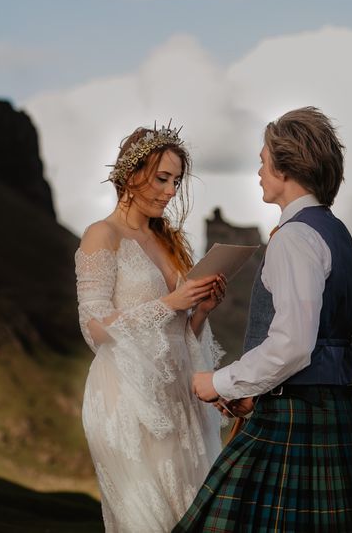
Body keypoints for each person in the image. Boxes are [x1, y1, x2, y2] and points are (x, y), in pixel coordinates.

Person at [175, 107, 352, 532]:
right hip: (329, 408)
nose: (258, 171)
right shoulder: (335, 231)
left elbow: (293, 343)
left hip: (295, 417)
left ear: (287, 166)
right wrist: (254, 391)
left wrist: (217, 382)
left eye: (263, 161)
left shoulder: (294, 239)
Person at [75, 123, 226, 532]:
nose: (170, 191)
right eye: (162, 178)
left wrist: (200, 310)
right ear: (131, 174)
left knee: (190, 515)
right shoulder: (100, 235)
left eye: (176, 181)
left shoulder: (169, 239)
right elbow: (94, 327)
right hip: (128, 398)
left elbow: (180, 332)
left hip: (179, 397)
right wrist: (168, 304)